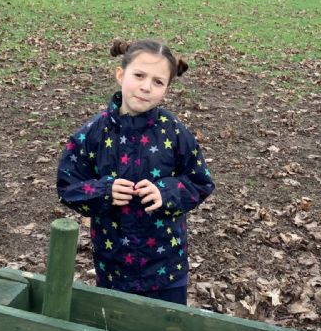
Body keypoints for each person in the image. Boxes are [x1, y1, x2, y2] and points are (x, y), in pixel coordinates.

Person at [56, 39, 214, 305]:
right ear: (120, 75)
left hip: (166, 267)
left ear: (166, 89)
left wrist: (167, 193)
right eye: (139, 75)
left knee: (167, 327)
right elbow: (68, 185)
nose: (146, 87)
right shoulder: (93, 133)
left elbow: (200, 181)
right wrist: (103, 191)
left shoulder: (174, 132)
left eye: (158, 82)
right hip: (113, 265)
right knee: (117, 325)